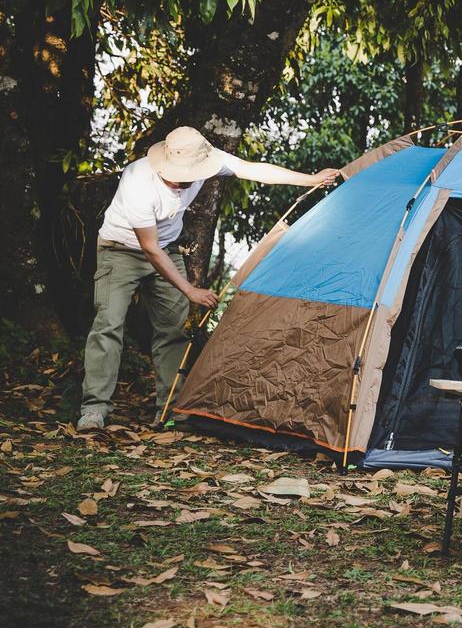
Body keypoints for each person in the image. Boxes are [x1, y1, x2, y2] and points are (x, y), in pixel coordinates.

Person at [76, 127, 341, 432]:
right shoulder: (138, 180)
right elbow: (148, 247)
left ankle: (170, 409)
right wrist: (189, 289)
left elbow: (254, 170)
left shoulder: (208, 161)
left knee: (173, 329)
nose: (187, 179)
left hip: (167, 249)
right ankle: (94, 409)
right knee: (108, 325)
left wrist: (310, 179)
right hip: (121, 249)